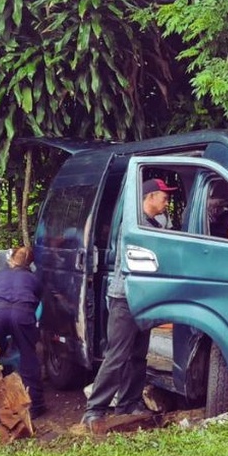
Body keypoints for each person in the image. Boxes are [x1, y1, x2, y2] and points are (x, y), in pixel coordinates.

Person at [81, 178, 177, 426]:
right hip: (124, 299)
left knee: (137, 357)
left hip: (144, 300)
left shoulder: (154, 224)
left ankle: (128, 403)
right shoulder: (133, 226)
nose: (167, 201)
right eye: (164, 196)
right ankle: (96, 409)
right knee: (117, 356)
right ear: (150, 197)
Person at [0, 247, 46, 417]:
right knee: (28, 357)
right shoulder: (35, 280)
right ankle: (35, 406)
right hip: (22, 316)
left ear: (10, 261)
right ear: (31, 264)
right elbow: (37, 307)